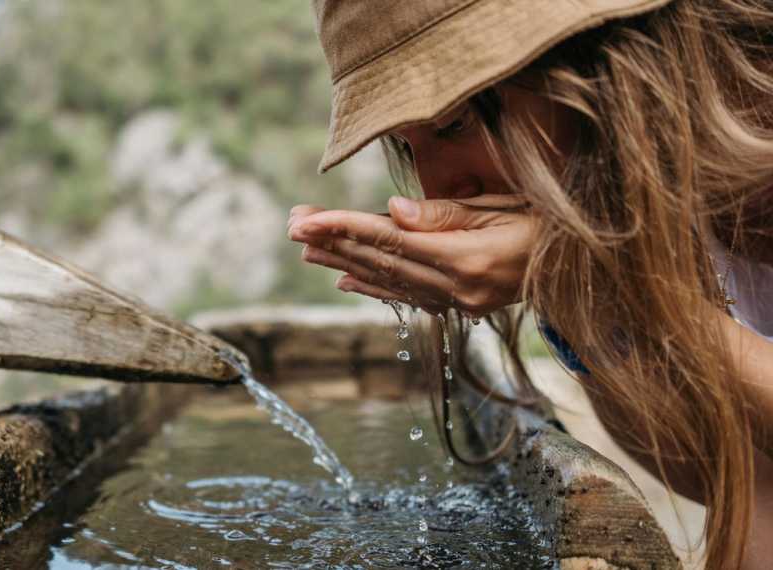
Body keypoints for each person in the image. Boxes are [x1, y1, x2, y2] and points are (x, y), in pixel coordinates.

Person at [287, 1, 773, 568]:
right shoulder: (661, 183)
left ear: (592, 55)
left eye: (454, 123)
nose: (438, 185)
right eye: (406, 146)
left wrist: (598, 279)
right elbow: (714, 469)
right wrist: (570, 285)